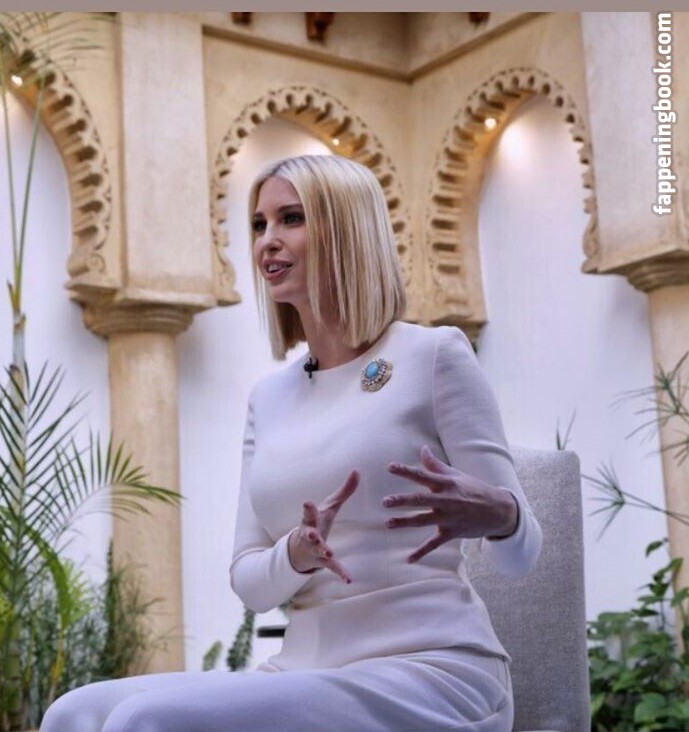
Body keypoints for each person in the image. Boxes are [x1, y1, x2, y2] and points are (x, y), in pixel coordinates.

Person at [40, 154, 542, 732]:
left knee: (146, 720)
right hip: (306, 668)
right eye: (260, 224)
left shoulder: (434, 356)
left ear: (346, 228)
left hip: (432, 669)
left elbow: (521, 556)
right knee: (73, 712)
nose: (267, 241)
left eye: (291, 219)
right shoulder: (269, 397)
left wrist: (501, 515)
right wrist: (297, 553)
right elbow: (250, 584)